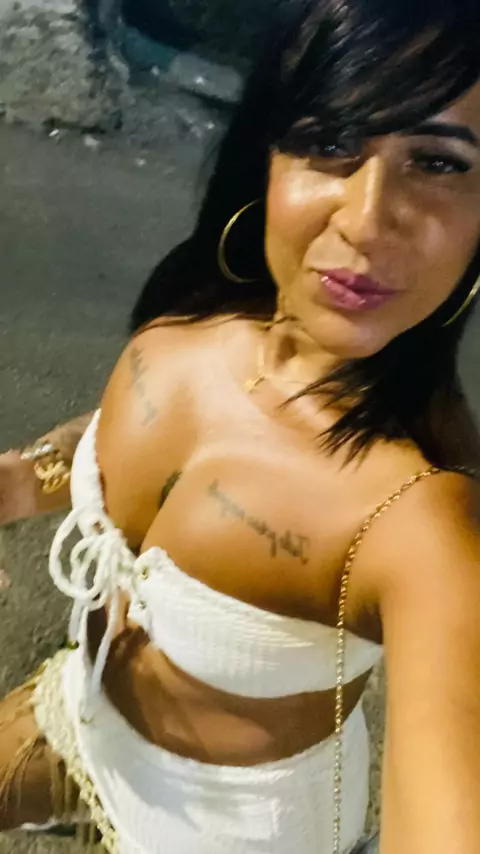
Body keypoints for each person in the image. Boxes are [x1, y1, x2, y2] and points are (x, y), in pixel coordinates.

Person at [1, 0, 480, 852]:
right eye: (331, 140)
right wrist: (16, 484)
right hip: (76, 717)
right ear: (267, 153)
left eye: (438, 162)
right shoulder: (214, 309)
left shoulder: (423, 517)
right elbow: (131, 433)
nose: (367, 220)